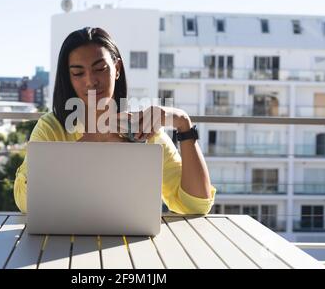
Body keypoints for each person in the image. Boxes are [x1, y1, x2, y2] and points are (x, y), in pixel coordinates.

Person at [14, 27, 216, 214]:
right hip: (65, 246)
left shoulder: (141, 129)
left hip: (128, 247)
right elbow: (24, 201)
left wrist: (182, 122)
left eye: (100, 68)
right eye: (78, 73)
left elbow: (196, 205)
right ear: (69, 78)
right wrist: (90, 143)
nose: (90, 81)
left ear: (117, 68)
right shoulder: (52, 128)